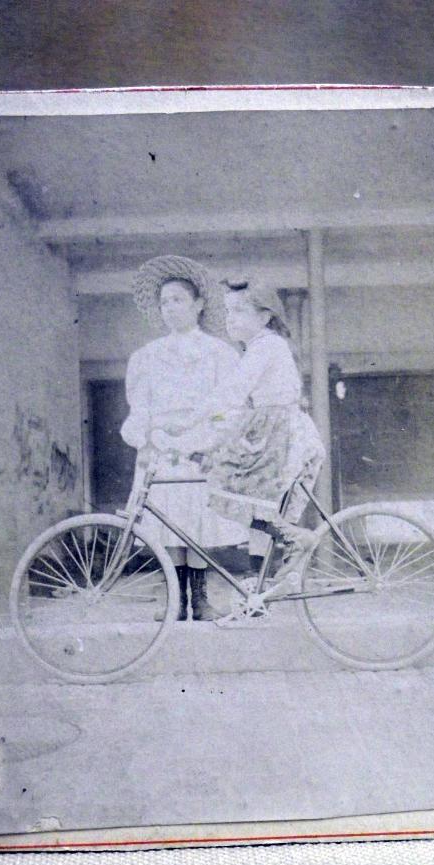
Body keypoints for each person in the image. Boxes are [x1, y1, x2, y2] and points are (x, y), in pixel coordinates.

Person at [166, 277, 326, 580]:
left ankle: (295, 538)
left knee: (228, 488)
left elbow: (231, 393)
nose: (230, 318)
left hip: (280, 435)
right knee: (254, 508)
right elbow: (238, 410)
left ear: (264, 317)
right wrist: (207, 442)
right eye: (228, 311)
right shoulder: (257, 348)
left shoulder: (268, 346)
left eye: (239, 311)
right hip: (272, 431)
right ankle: (259, 586)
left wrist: (188, 422)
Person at [121, 256, 246, 621]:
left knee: (198, 519)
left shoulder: (220, 354)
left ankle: (201, 599)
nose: (170, 308)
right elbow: (140, 407)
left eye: (178, 299)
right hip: (162, 447)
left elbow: (228, 407)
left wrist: (211, 440)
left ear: (198, 304)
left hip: (202, 446)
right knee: (166, 520)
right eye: (164, 302)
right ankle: (175, 599)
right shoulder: (147, 357)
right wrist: (147, 436)